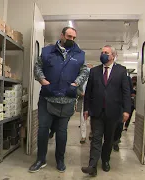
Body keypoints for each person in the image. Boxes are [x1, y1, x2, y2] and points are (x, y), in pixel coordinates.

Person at [29, 27, 88, 173]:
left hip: (67, 99)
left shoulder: (79, 54)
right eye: (69, 36)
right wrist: (43, 81)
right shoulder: (47, 51)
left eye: (74, 37)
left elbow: (84, 71)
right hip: (47, 97)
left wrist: (76, 84)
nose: (71, 40)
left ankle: (60, 160)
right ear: (61, 35)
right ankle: (40, 159)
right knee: (43, 130)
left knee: (62, 132)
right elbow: (37, 67)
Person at [81, 45, 131, 177]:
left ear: (113, 56)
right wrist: (86, 108)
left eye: (106, 53)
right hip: (97, 112)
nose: (103, 54)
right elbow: (88, 92)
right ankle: (92, 165)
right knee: (96, 139)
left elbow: (126, 92)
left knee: (108, 140)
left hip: (114, 113)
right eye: (102, 52)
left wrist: (126, 110)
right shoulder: (95, 71)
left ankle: (106, 160)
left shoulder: (121, 71)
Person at [112, 74, 134, 152]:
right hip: (110, 104)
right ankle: (110, 141)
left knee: (119, 124)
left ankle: (116, 142)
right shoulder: (109, 76)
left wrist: (127, 109)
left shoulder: (127, 79)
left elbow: (130, 93)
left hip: (121, 105)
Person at [76, 63, 93, 144]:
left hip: (92, 101)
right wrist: (80, 93)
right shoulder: (80, 80)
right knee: (83, 119)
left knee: (92, 118)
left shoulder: (95, 79)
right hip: (83, 100)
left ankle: (91, 132)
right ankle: (83, 136)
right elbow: (76, 89)